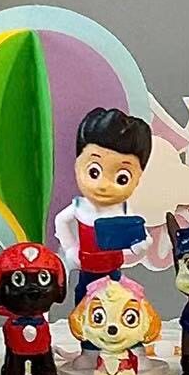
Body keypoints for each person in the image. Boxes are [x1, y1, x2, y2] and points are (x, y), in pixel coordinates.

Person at [53, 107, 152, 306]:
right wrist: (70, 249)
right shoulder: (80, 207)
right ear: (77, 165)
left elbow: (140, 237)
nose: (103, 185)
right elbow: (61, 221)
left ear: (138, 177)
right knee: (84, 304)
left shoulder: (124, 211)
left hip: (113, 272)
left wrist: (140, 246)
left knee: (114, 305)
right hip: (87, 270)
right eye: (94, 172)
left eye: (122, 178)